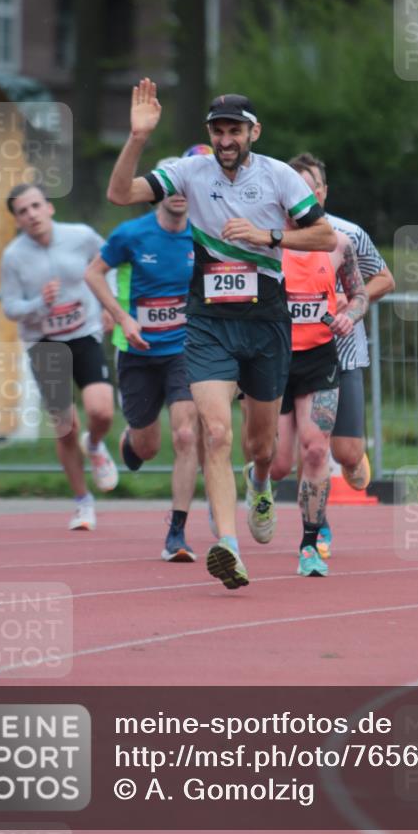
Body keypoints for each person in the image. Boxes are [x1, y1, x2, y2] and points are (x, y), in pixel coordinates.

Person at [107, 79, 336, 590]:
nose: (226, 139)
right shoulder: (191, 172)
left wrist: (268, 235)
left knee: (260, 444)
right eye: (218, 131)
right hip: (209, 322)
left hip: (265, 322)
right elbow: (120, 194)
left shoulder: (279, 177)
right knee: (215, 432)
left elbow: (324, 235)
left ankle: (259, 480)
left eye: (234, 130)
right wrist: (138, 138)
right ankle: (228, 547)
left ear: (254, 132)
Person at [84, 164, 200, 563]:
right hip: (138, 351)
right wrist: (121, 317)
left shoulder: (202, 236)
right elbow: (93, 274)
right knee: (147, 447)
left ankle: (177, 532)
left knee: (186, 435)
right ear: (156, 192)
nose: (178, 193)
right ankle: (130, 440)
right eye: (170, 186)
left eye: (185, 187)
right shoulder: (131, 234)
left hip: (184, 350)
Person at [288, 154, 395, 559]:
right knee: (309, 446)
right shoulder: (278, 236)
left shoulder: (347, 234)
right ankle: (317, 527)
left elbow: (385, 278)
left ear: (323, 192)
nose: (303, 195)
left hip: (343, 354)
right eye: (294, 187)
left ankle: (352, 460)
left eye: (310, 187)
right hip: (296, 355)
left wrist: (349, 305)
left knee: (346, 454)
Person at [0, 183, 118, 531]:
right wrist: (40, 303)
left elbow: (110, 264)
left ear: (49, 208)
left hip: (84, 334)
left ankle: (94, 445)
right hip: (45, 343)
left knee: (101, 411)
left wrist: (110, 303)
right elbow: (10, 307)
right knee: (65, 427)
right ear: (17, 220)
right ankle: (82, 502)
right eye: (23, 211)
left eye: (36, 206)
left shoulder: (80, 236)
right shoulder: (13, 257)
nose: (32, 215)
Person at [269, 228, 368, 576]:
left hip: (319, 360)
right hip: (273, 360)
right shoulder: (266, 242)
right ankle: (258, 480)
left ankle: (309, 544)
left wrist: (349, 316)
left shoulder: (338, 244)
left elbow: (360, 294)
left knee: (315, 450)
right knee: (278, 465)